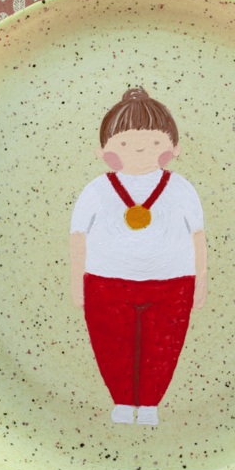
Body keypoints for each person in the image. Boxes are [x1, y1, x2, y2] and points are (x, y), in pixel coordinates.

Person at [69, 86, 207, 426]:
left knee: (164, 347)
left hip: (174, 284)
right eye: (125, 143)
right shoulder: (96, 191)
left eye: (155, 141)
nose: (142, 148)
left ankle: (149, 404)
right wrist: (76, 285)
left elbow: (198, 237)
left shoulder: (182, 189)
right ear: (103, 151)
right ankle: (120, 401)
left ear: (174, 148)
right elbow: (78, 239)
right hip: (105, 284)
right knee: (111, 345)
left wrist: (201, 283)